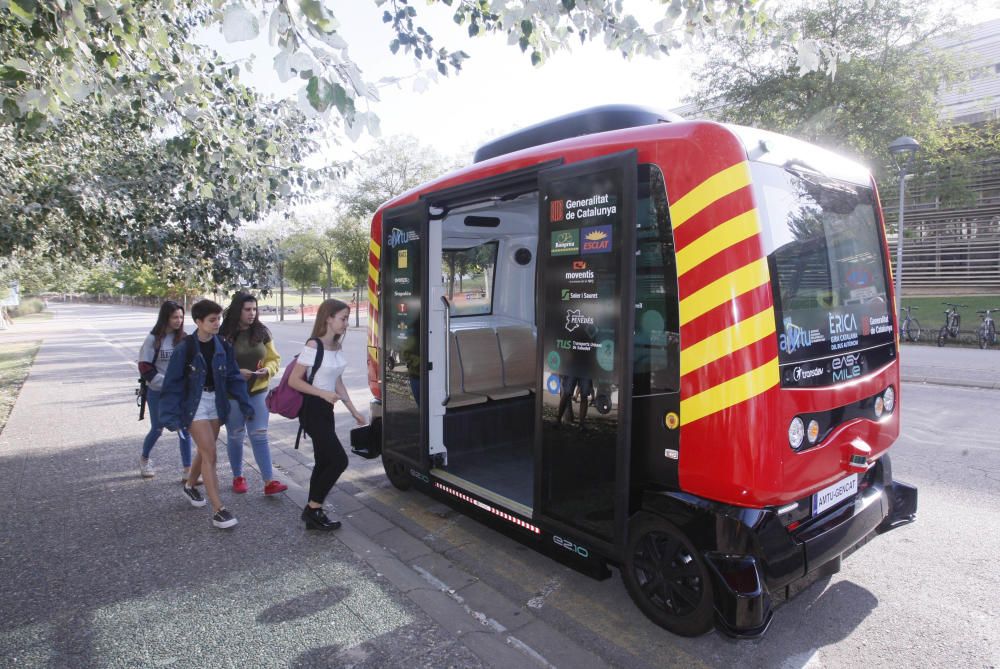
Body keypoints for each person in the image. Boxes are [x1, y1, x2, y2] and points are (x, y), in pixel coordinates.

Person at [160, 299, 254, 529]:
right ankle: (218, 510)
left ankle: (190, 486)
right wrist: (170, 417)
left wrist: (244, 403)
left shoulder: (223, 345)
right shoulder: (186, 347)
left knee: (206, 449)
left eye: (219, 319)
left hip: (216, 402)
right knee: (210, 453)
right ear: (198, 322)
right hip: (194, 404)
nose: (217, 323)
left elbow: (232, 376)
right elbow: (172, 384)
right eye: (212, 320)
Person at [288, 298, 365, 531]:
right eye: (342, 318)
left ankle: (313, 511)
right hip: (313, 409)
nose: (346, 323)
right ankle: (313, 508)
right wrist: (322, 393)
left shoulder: (336, 346)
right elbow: (294, 381)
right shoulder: (313, 345)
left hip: (326, 410)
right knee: (339, 460)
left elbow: (337, 380)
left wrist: (353, 411)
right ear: (328, 318)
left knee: (324, 460)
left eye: (347, 318)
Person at [219, 292, 288, 496]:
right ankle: (238, 477)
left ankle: (269, 482)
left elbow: (274, 358)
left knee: (259, 435)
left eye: (254, 309)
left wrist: (268, 370)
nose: (252, 313)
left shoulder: (262, 331)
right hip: (233, 394)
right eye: (247, 309)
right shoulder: (223, 334)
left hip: (258, 391)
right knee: (235, 435)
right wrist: (236, 373)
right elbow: (217, 364)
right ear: (237, 310)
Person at [137, 300, 193, 479]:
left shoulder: (183, 338)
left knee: (184, 428)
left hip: (179, 392)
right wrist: (165, 382)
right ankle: (144, 459)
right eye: (174, 317)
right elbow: (145, 367)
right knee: (157, 428)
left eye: (181, 317)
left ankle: (187, 470)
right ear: (165, 318)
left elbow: (190, 363)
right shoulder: (153, 339)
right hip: (157, 392)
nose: (178, 320)